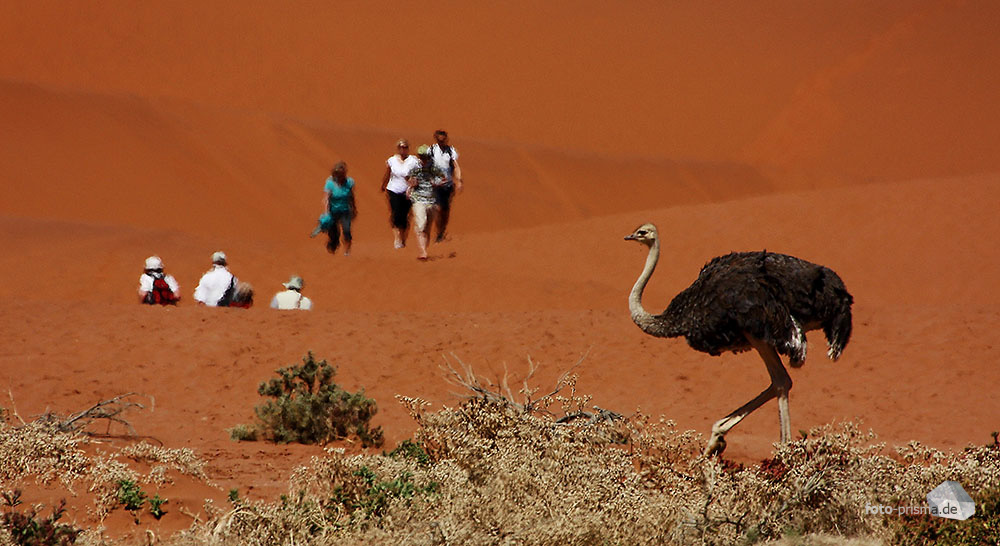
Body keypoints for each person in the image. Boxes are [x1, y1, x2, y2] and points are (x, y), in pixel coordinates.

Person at [406, 145, 446, 260]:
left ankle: (424, 249)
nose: (423, 159)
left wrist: (436, 182)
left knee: (428, 228)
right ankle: (422, 252)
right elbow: (409, 180)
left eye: (425, 157)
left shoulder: (434, 169)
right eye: (421, 157)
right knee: (421, 224)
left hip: (431, 201)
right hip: (418, 200)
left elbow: (443, 179)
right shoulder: (415, 169)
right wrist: (412, 185)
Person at [379, 139, 420, 249]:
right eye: (401, 147)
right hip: (393, 190)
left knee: (405, 216)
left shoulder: (413, 161)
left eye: (405, 147)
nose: (403, 149)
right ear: (398, 148)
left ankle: (403, 238)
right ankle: (397, 239)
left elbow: (418, 175)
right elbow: (387, 173)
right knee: (396, 214)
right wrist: (383, 185)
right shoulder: (392, 160)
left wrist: (414, 185)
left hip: (408, 191)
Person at [428, 129, 463, 242]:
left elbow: (456, 166)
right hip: (436, 185)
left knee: (445, 210)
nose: (441, 142)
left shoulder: (451, 151)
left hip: (447, 185)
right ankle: (438, 233)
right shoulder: (432, 150)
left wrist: (458, 180)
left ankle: (442, 231)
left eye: (443, 140)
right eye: (439, 140)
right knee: (437, 208)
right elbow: (426, 165)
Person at [318, 162, 357, 255]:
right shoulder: (330, 183)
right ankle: (333, 245)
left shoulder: (349, 182)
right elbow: (326, 198)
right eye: (338, 174)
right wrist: (326, 212)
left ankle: (347, 251)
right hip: (333, 211)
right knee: (334, 233)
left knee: (347, 230)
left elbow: (351, 196)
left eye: (342, 174)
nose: (340, 176)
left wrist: (354, 208)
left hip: (345, 210)